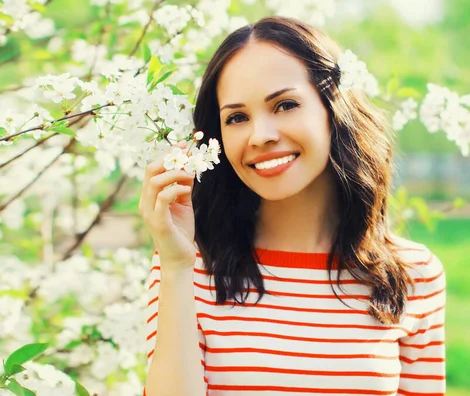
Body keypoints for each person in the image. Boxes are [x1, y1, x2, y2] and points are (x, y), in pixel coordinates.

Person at [139, 15, 446, 396]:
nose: (261, 135)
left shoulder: (413, 274)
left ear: (334, 110)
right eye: (236, 117)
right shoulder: (190, 265)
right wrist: (176, 265)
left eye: (285, 105)